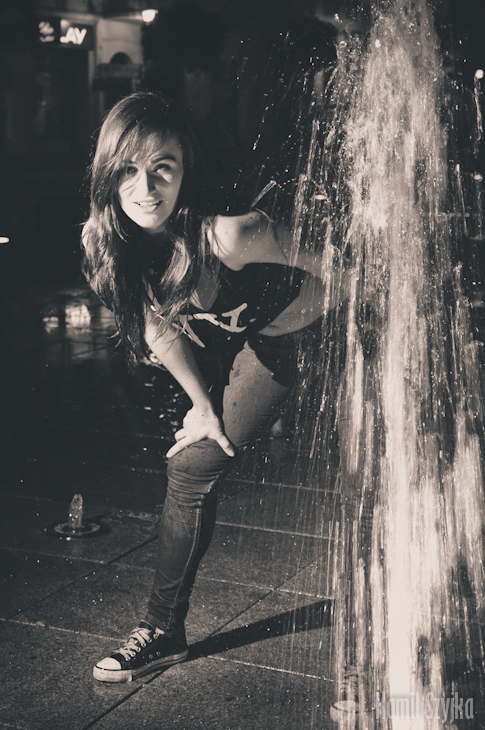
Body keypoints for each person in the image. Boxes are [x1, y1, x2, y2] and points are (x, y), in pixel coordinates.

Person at [81, 91, 349, 687]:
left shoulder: (231, 235)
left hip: (339, 325)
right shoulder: (110, 250)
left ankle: (382, 635)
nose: (146, 188)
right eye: (128, 170)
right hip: (266, 343)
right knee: (191, 466)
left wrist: (351, 335)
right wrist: (202, 406)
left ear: (185, 170)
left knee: (367, 468)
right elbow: (157, 329)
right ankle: (163, 632)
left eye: (163, 168)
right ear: (107, 174)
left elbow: (348, 269)